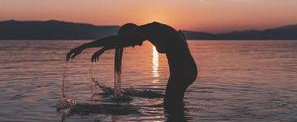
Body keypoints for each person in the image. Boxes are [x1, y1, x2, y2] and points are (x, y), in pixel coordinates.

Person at [66, 22, 198, 113]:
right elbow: (120, 41)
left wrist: (83, 47)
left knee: (169, 107)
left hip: (182, 72)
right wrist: (104, 49)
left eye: (131, 41)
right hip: (187, 71)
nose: (135, 45)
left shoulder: (151, 29)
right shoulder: (154, 32)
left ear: (134, 33)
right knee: (175, 107)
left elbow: (116, 39)